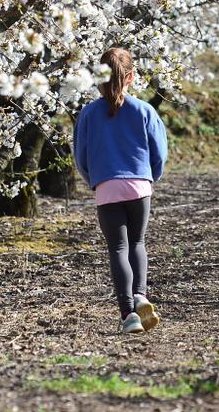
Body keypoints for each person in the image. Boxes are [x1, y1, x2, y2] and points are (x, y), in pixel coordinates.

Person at [74, 47, 168, 334]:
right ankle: (141, 295)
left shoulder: (88, 113)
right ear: (131, 77)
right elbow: (159, 153)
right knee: (137, 243)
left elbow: (81, 156)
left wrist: (95, 179)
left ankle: (128, 314)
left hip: (106, 186)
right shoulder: (144, 110)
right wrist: (151, 177)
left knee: (118, 248)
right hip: (140, 184)